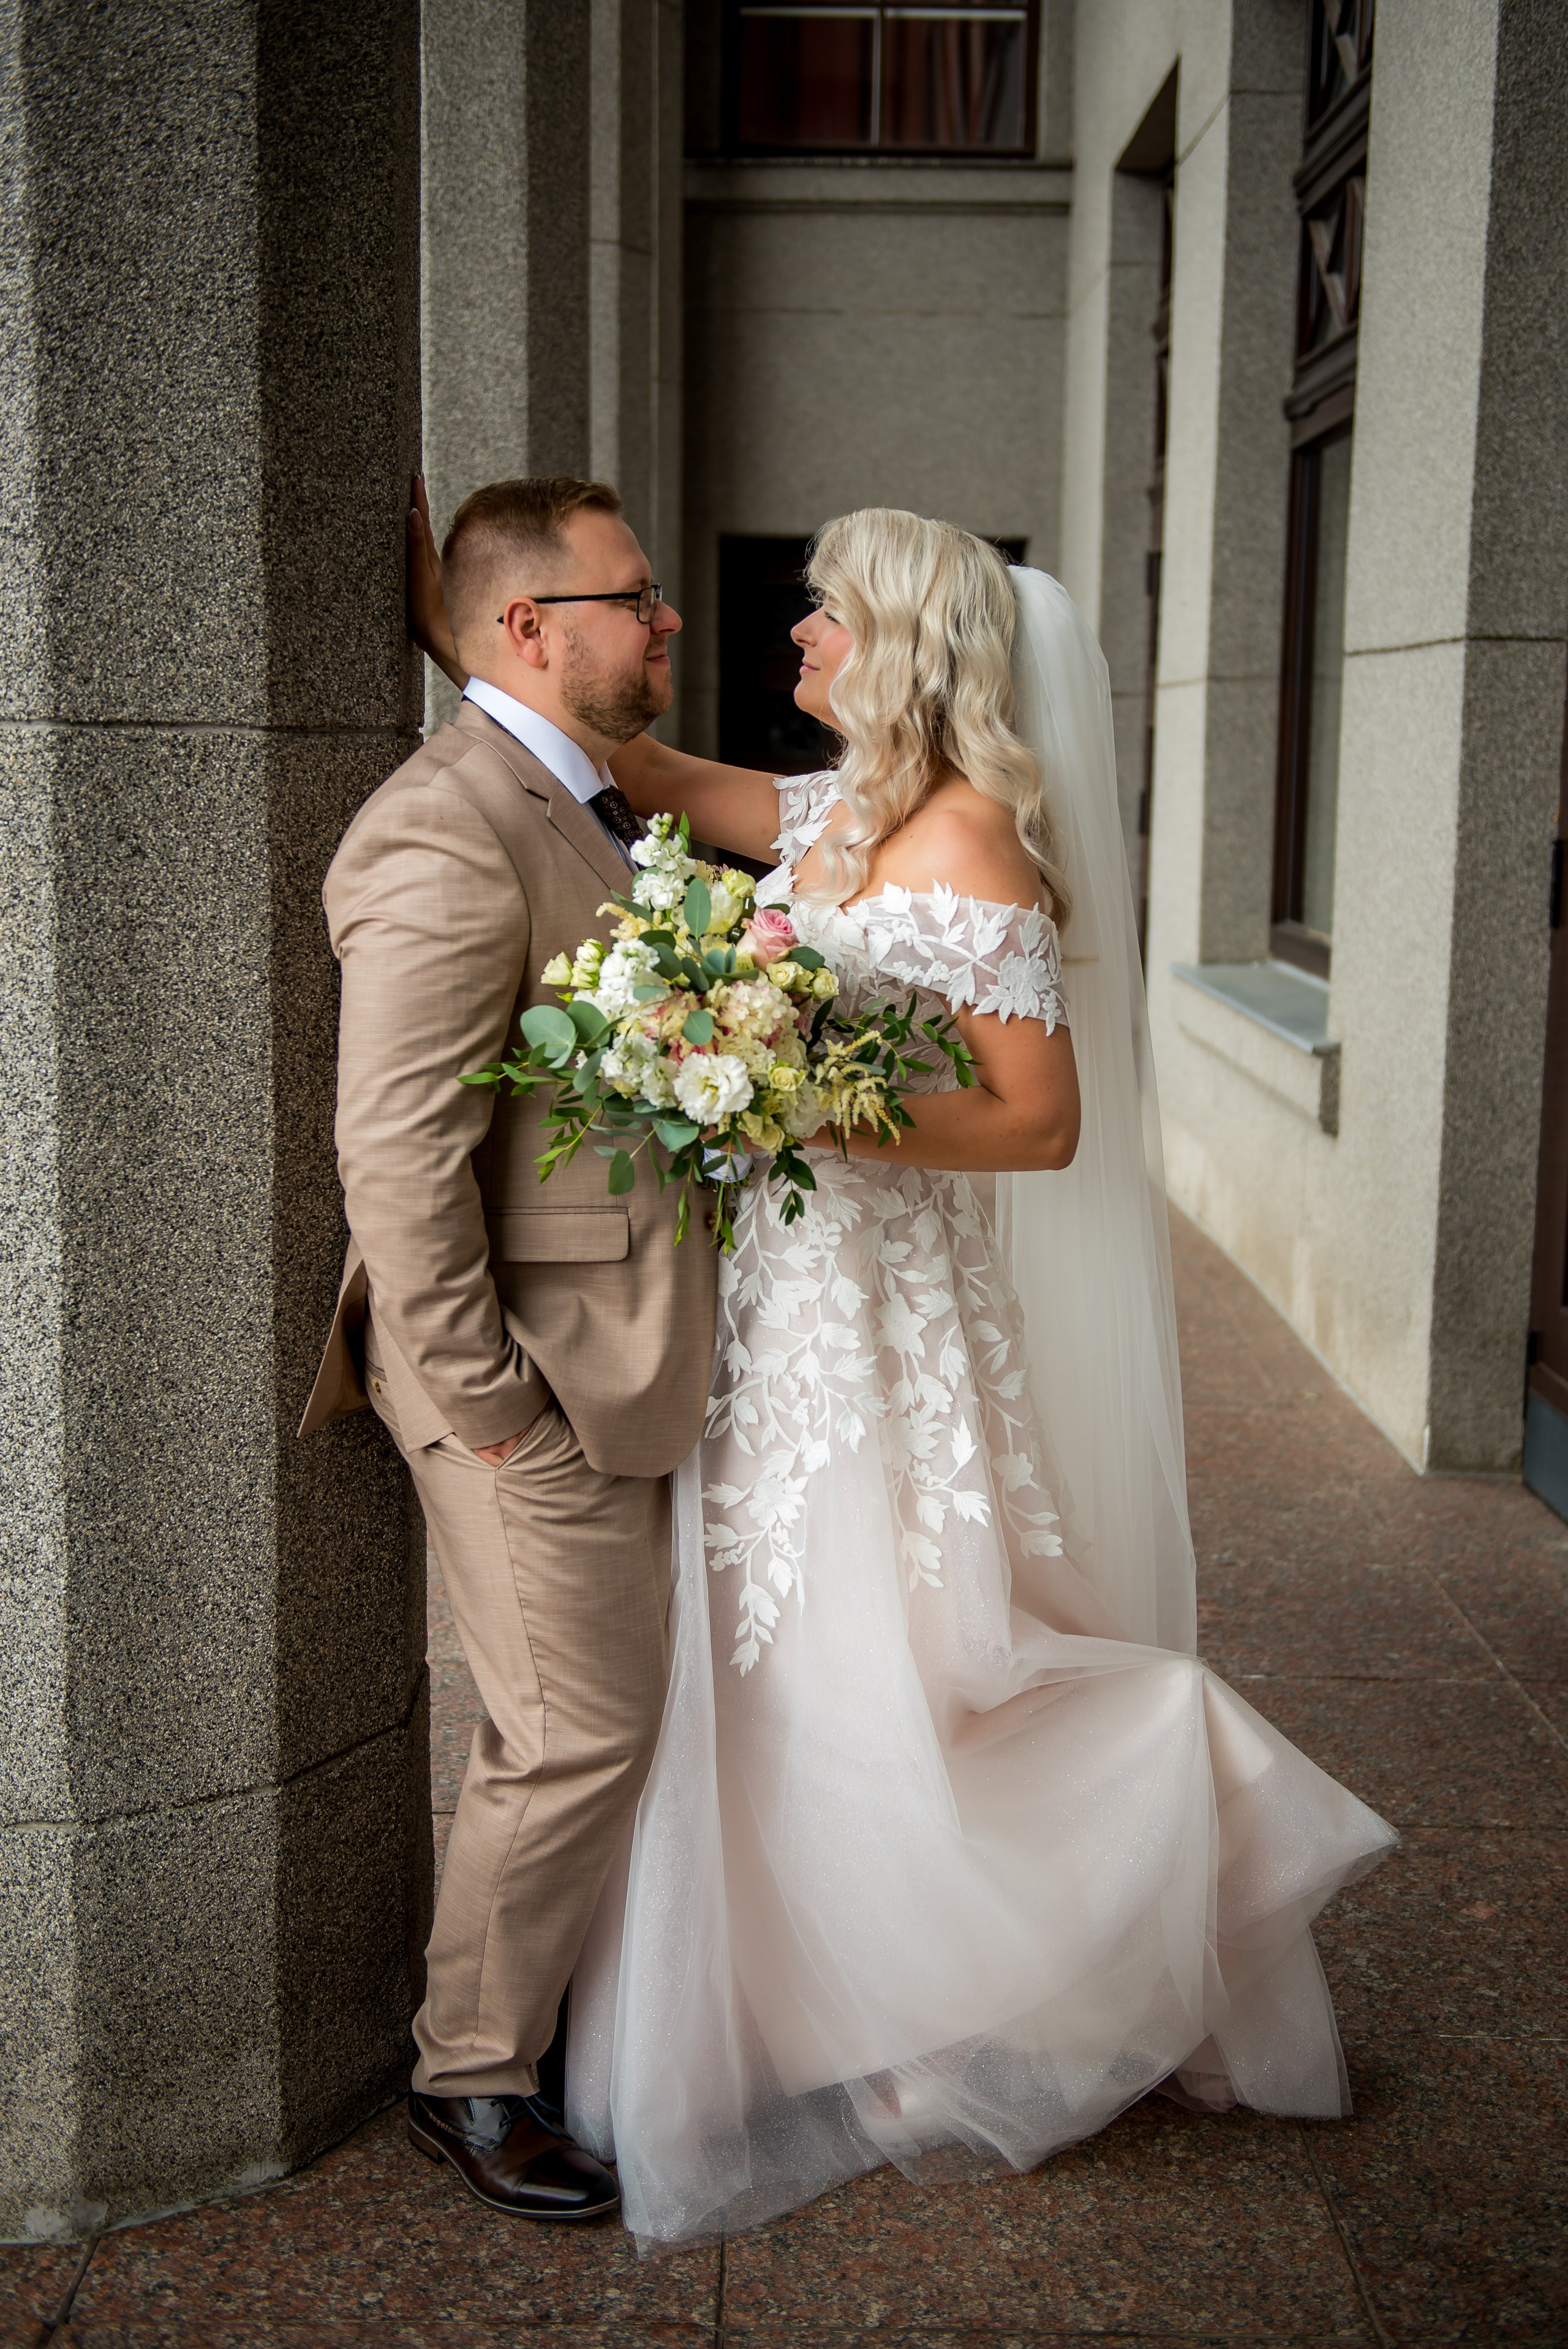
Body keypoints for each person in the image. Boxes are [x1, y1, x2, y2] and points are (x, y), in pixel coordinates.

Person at [409, 499, 1396, 2247]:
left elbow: (1039, 1117)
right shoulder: (833, 812)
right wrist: (478, 630)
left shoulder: (979, 847)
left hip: (880, 1311)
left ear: (909, 645)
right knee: (771, 1658)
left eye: (823, 619)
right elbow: (642, 774)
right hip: (769, 1300)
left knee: (907, 1649)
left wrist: (788, 1081)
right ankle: (821, 1993)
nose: (793, 642)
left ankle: (1047, 1931)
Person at [302, 475, 718, 2222]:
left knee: (583, 1718)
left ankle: (517, 2026)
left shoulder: (575, 791)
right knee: (571, 1727)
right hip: (518, 1380)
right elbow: (392, 1151)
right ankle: (469, 2075)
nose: (669, 619)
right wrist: (486, 1407)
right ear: (532, 631)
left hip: (604, 1350)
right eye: (634, 597)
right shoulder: (444, 826)